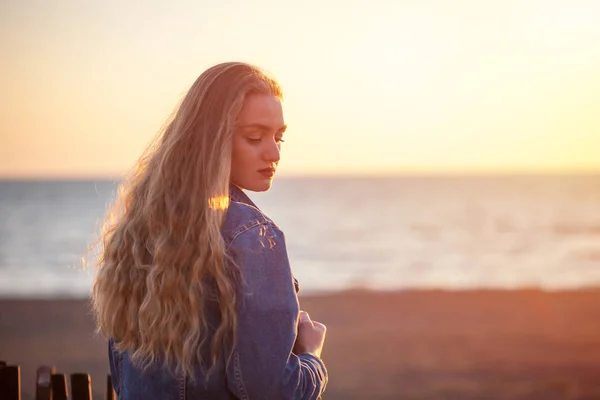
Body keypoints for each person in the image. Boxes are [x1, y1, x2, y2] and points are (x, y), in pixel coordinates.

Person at [90, 62, 328, 399]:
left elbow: (124, 380)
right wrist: (310, 357)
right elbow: (274, 392)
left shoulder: (140, 232)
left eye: (279, 137)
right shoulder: (253, 236)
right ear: (214, 140)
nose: (274, 152)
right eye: (255, 137)